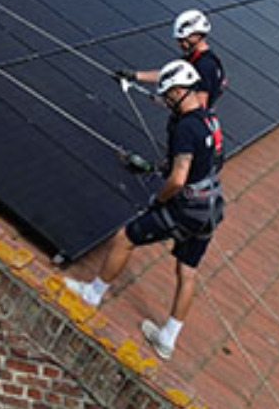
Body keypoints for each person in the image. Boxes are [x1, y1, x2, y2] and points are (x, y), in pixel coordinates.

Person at [66, 59, 225, 360]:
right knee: (187, 271)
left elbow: (178, 180)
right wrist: (156, 168)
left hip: (186, 208)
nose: (165, 101)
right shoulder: (209, 119)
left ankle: (92, 295)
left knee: (124, 238)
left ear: (179, 91)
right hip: (210, 207)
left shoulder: (186, 128)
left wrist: (158, 200)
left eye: (167, 96)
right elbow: (207, 162)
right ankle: (167, 339)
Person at [125, 9, 226, 110]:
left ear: (196, 35)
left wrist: (173, 104)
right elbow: (169, 76)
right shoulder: (196, 58)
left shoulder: (205, 66)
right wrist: (135, 75)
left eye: (182, 40)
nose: (179, 44)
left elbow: (200, 106)